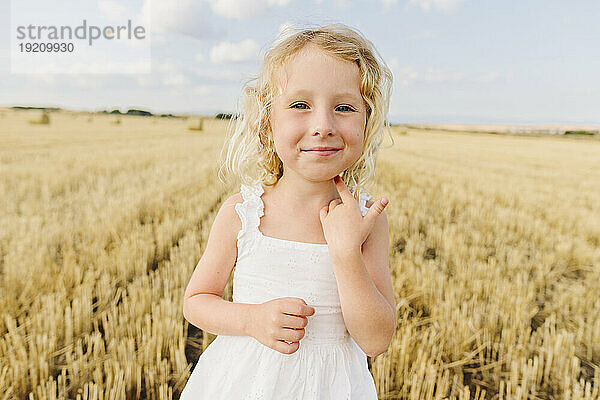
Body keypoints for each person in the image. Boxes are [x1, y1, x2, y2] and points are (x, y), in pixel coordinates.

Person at [180, 22, 396, 399]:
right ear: (267, 122)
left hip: (331, 387)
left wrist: (346, 255)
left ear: (367, 120)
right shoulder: (242, 213)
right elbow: (197, 302)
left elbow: (376, 340)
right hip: (244, 383)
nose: (323, 126)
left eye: (344, 107)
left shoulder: (366, 222)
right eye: (300, 105)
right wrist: (250, 319)